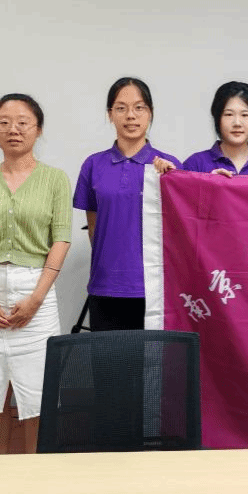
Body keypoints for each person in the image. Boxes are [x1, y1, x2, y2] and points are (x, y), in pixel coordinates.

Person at [0, 93, 71, 453]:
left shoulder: (55, 179)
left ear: (38, 129)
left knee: (36, 396)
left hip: (35, 290)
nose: (13, 130)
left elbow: (61, 240)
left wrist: (36, 298)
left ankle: (32, 474)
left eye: (23, 122)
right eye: (3, 123)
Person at [73, 77, 182, 331]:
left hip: (155, 289)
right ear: (110, 114)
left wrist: (174, 180)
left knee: (153, 357)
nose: (131, 116)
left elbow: (180, 231)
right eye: (121, 108)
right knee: (108, 357)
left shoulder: (168, 166)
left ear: (150, 113)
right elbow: (94, 228)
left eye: (139, 108)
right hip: (105, 287)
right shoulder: (93, 165)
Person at [154, 81, 248, 178]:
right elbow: (181, 203)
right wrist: (167, 172)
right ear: (217, 118)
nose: (237, 123)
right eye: (229, 114)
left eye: (245, 115)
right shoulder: (196, 164)